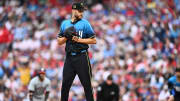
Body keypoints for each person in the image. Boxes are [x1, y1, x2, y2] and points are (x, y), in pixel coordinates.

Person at [57, 1, 96, 101]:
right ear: (74, 10)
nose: (82, 13)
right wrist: (66, 36)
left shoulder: (85, 23)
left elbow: (93, 40)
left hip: (82, 57)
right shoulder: (65, 23)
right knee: (65, 85)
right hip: (69, 58)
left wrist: (79, 40)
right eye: (80, 11)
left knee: (87, 85)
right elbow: (59, 42)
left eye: (82, 11)